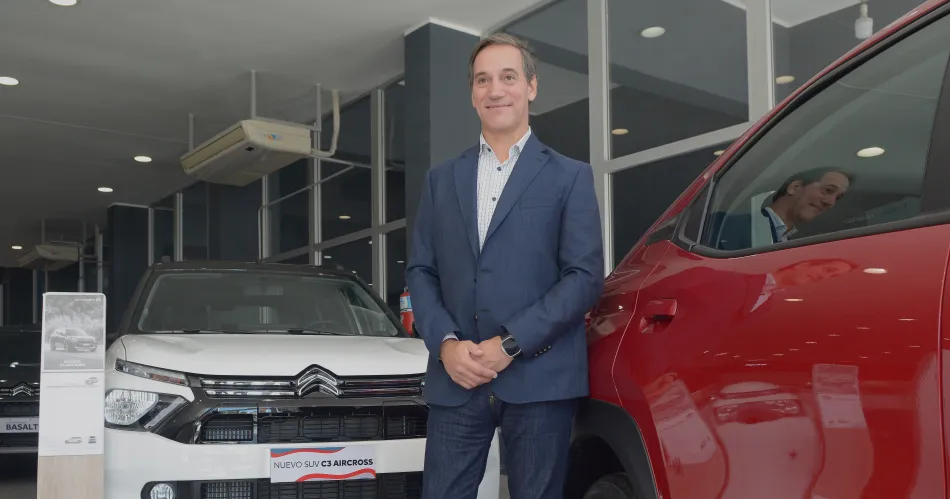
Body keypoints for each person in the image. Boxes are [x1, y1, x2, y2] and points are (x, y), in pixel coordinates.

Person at [405, 33, 604, 499]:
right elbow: (421, 271)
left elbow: (583, 278)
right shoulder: (441, 180)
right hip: (457, 377)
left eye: (508, 77)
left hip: (541, 377)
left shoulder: (570, 177)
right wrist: (446, 346)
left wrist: (510, 344)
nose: (495, 90)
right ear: (472, 93)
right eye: (483, 80)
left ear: (531, 87)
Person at [763, 167, 854, 242]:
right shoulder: (755, 227)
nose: (831, 202)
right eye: (828, 190)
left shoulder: (785, 238)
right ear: (795, 187)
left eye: (837, 198)